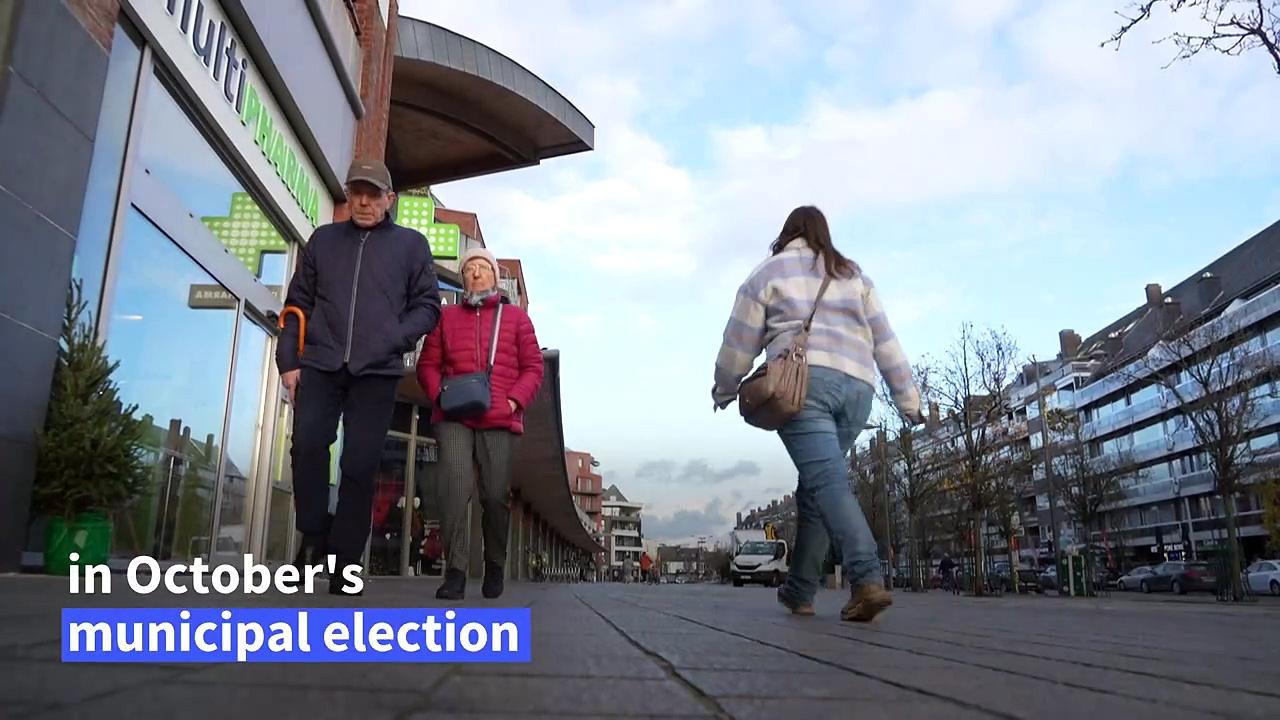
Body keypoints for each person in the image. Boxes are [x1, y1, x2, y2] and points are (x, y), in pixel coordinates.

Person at [712, 205, 922, 622]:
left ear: (787, 233)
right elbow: (886, 342)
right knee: (815, 487)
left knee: (827, 483)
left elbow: (739, 339)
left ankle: (867, 579)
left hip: (803, 385)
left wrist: (725, 387)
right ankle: (800, 590)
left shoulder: (769, 272)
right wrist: (909, 400)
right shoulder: (854, 276)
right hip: (859, 390)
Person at [277, 159, 442, 596]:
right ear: (348, 196)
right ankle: (314, 535)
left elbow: (428, 306)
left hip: (377, 370)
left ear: (390, 199)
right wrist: (288, 361)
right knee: (308, 445)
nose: (365, 202)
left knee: (359, 464)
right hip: (321, 363)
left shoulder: (411, 246)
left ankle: (346, 562)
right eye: (357, 193)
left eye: (374, 194)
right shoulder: (324, 240)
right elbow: (297, 305)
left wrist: (394, 337)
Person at [416, 248, 544, 600]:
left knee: (494, 495)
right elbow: (428, 364)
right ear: (462, 277)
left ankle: (495, 565)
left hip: (498, 416)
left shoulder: (515, 318)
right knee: (455, 489)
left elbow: (534, 366)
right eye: (469, 268)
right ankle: (455, 572)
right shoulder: (445, 317)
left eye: (482, 268)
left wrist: (514, 400)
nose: (475, 273)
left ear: (494, 276)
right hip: (454, 415)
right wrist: (437, 395)